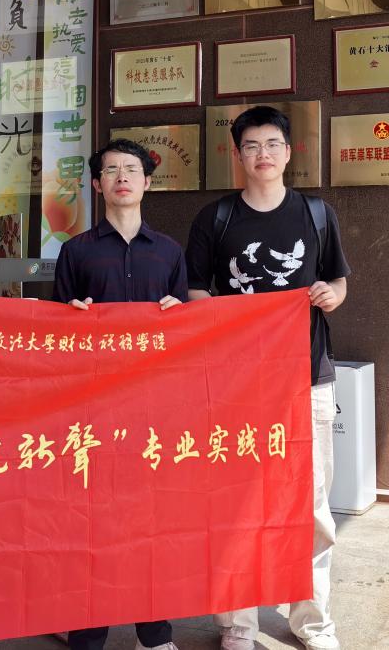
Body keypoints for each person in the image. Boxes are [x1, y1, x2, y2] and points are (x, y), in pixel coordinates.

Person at [185, 106, 350, 650]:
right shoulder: (215, 218)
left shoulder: (316, 214)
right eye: (252, 145)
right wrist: (233, 318)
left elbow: (338, 282)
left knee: (311, 505)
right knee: (237, 502)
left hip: (306, 378)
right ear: (237, 154)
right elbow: (195, 290)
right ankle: (238, 622)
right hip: (236, 383)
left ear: (288, 152)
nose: (263, 154)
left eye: (272, 144)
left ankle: (313, 621)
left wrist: (329, 295)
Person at [52, 137, 186, 650]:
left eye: (131, 169)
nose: (122, 177)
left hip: (153, 408)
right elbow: (55, 337)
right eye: (111, 170)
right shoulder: (76, 251)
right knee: (92, 524)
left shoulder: (169, 252)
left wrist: (179, 316)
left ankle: (154, 633)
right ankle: (88, 633)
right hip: (94, 408)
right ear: (96, 184)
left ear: (147, 182)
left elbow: (187, 335)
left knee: (152, 521)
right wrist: (73, 317)